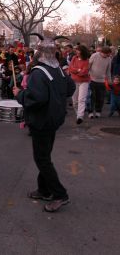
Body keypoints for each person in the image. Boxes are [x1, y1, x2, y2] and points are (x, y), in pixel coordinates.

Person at [13, 34, 75, 213]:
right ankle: (44, 190)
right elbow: (70, 88)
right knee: (45, 156)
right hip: (54, 119)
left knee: (42, 159)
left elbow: (36, 98)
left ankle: (60, 194)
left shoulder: (39, 72)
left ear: (38, 53)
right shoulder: (59, 70)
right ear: (54, 53)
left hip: (42, 121)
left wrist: (19, 94)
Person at [68, 45, 90, 124]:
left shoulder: (86, 60)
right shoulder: (74, 58)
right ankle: (78, 114)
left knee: (81, 99)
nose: (76, 51)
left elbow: (84, 73)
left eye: (78, 50)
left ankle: (80, 116)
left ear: (82, 51)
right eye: (76, 50)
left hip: (84, 82)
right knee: (74, 102)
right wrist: (78, 70)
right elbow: (70, 68)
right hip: (74, 81)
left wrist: (76, 71)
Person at [88, 46, 112, 118]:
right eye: (107, 54)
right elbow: (89, 65)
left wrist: (109, 80)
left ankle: (98, 111)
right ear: (102, 52)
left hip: (102, 81)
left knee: (100, 97)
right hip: (92, 79)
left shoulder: (109, 59)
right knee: (91, 97)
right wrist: (87, 74)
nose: (108, 56)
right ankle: (90, 111)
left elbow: (108, 71)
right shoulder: (94, 56)